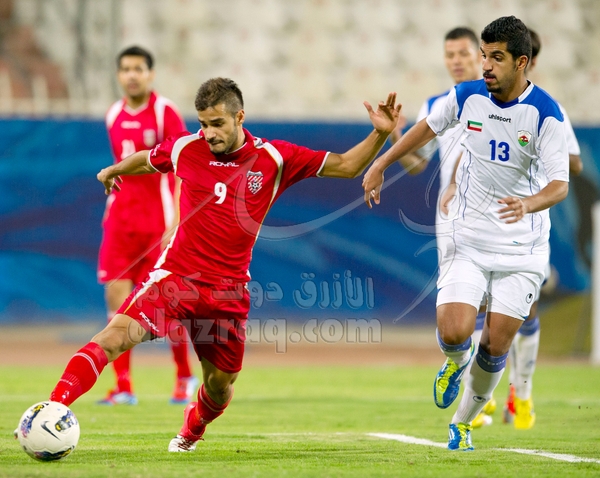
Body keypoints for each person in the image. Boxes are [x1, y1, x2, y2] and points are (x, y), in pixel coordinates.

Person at [45, 78, 401, 452]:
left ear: (239, 117)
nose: (209, 133)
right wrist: (114, 169)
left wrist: (379, 134)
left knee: (220, 384)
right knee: (113, 338)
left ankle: (193, 427)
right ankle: (52, 409)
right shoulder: (186, 147)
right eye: (203, 123)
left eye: (217, 123)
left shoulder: (275, 158)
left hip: (227, 292)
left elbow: (346, 165)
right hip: (175, 279)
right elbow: (147, 159)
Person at [362, 16, 569, 451]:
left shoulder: (546, 114)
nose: (486, 65)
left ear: (522, 62)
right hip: (469, 237)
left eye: (497, 58)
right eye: (484, 56)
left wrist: (529, 203)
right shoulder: (466, 96)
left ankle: (463, 424)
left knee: (496, 344)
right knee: (456, 332)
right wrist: (380, 162)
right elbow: (426, 129)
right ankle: (456, 362)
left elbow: (560, 184)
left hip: (523, 247)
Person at [98, 46, 197, 405]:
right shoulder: (113, 114)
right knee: (116, 299)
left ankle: (184, 376)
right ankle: (124, 387)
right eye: (125, 69)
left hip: (158, 223)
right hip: (120, 222)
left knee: (164, 303)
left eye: (138, 68)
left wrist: (178, 219)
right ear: (118, 74)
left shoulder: (163, 112)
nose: (132, 75)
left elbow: (183, 164)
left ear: (150, 74)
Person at [497, 27, 583, 429]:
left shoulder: (549, 110)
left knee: (523, 308)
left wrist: (546, 153)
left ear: (527, 61)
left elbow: (573, 165)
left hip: (528, 225)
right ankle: (483, 398)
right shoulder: (482, 102)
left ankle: (523, 393)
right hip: (485, 221)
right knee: (482, 307)